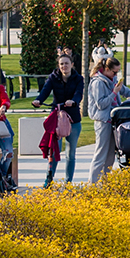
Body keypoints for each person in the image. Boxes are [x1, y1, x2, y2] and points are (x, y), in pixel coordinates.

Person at [33, 49, 86, 186]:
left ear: (72, 64)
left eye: (66, 64)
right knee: (54, 150)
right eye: (61, 64)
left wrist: (73, 101)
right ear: (59, 65)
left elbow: (79, 94)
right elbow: (45, 91)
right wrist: (38, 100)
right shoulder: (53, 77)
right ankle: (48, 180)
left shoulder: (78, 78)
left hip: (72, 118)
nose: (64, 66)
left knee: (71, 153)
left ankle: (68, 181)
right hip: (56, 118)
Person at [87, 57, 130, 183]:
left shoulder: (113, 79)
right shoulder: (98, 82)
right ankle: (93, 184)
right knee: (101, 154)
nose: (116, 75)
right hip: (103, 121)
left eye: (118, 72)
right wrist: (114, 93)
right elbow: (101, 104)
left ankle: (104, 182)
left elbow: (125, 91)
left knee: (111, 155)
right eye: (114, 72)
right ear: (106, 69)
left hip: (114, 120)